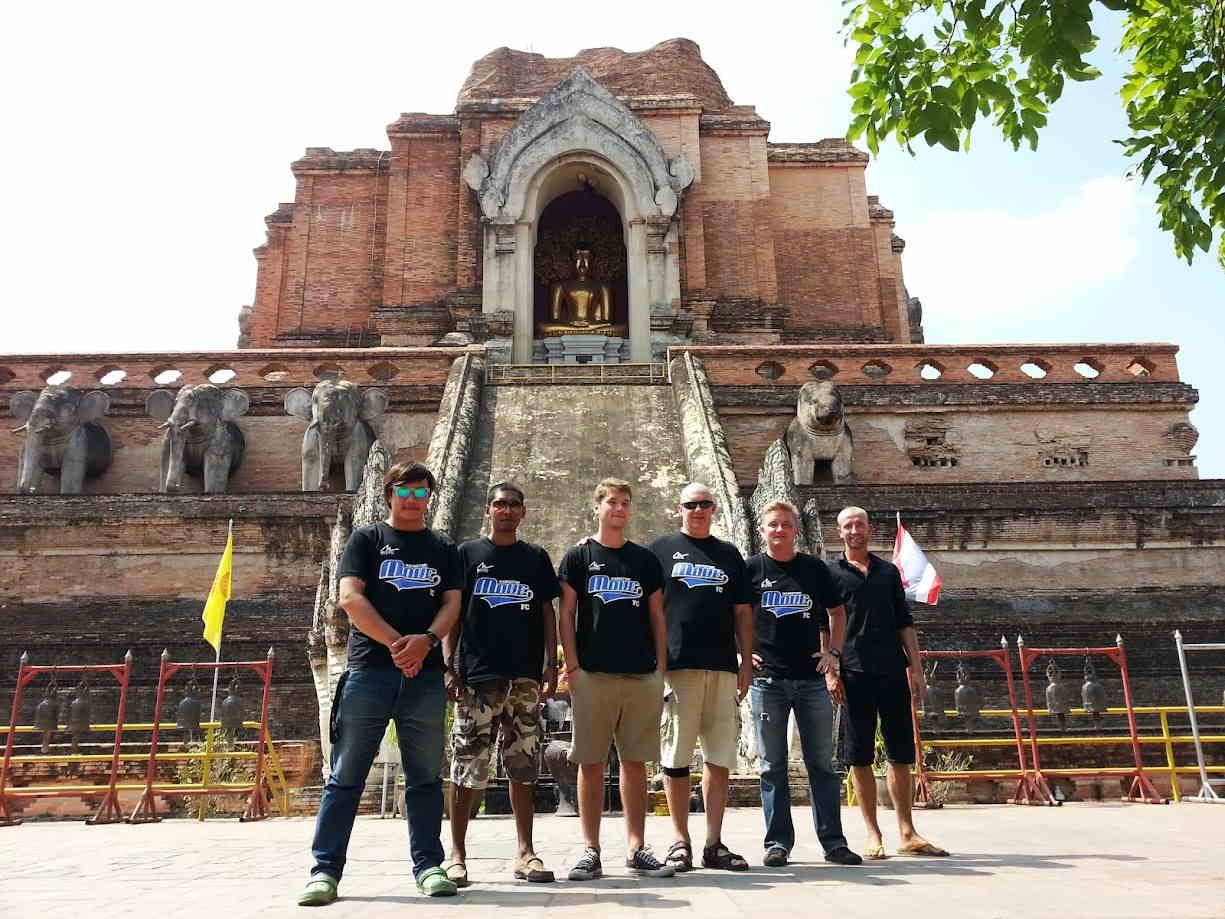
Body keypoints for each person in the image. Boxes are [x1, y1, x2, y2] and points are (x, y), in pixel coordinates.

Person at [298, 462, 463, 906]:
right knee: (346, 775)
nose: (412, 500)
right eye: (404, 492)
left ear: (430, 497)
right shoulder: (367, 540)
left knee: (425, 777)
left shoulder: (442, 547)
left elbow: (452, 603)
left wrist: (427, 642)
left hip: (424, 677)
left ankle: (429, 864)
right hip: (371, 672)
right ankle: (325, 870)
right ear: (390, 494)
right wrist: (397, 645)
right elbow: (350, 598)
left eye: (420, 493)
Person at [557, 478, 676, 881]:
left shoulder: (643, 561)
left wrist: (661, 668)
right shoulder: (578, 557)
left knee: (635, 762)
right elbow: (566, 615)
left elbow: (658, 616)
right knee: (589, 761)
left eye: (625, 503)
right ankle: (590, 848)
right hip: (593, 673)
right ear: (598, 507)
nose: (619, 509)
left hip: (641, 672)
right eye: (612, 502)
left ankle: (636, 845)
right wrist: (572, 666)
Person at [443, 483, 560, 886]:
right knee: (467, 767)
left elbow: (548, 612)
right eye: (499, 504)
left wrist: (550, 663)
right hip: (478, 676)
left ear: (523, 512)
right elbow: (453, 612)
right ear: (488, 510)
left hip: (524, 675)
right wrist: (448, 664)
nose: (506, 511)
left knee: (523, 766)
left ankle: (526, 853)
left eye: (513, 505)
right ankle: (456, 855)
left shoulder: (535, 558)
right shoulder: (467, 555)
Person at [747, 501, 861, 868]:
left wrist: (835, 654)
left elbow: (837, 613)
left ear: (796, 530)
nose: (779, 530)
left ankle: (833, 841)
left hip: (811, 680)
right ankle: (777, 842)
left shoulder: (813, 569)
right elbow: (733, 616)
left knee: (821, 765)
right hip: (768, 681)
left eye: (785, 525)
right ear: (762, 530)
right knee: (771, 765)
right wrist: (742, 652)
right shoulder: (751, 570)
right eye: (772, 525)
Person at [830, 506, 948, 859]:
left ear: (869, 529)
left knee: (900, 754)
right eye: (848, 526)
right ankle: (872, 833)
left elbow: (904, 622)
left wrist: (916, 669)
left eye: (860, 525)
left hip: (892, 670)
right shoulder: (830, 573)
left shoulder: (887, 572)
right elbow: (826, 625)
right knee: (860, 756)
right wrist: (831, 672)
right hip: (852, 672)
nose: (854, 531)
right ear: (840, 532)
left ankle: (907, 831)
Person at [648, 482, 753, 872]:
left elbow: (743, 612)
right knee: (675, 755)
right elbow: (650, 610)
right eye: (691, 504)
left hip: (723, 666)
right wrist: (654, 663)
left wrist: (744, 662)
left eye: (705, 504)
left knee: (719, 756)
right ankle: (680, 840)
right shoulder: (658, 551)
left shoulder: (729, 554)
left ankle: (714, 841)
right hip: (677, 666)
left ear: (713, 509)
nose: (698, 510)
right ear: (680, 509)